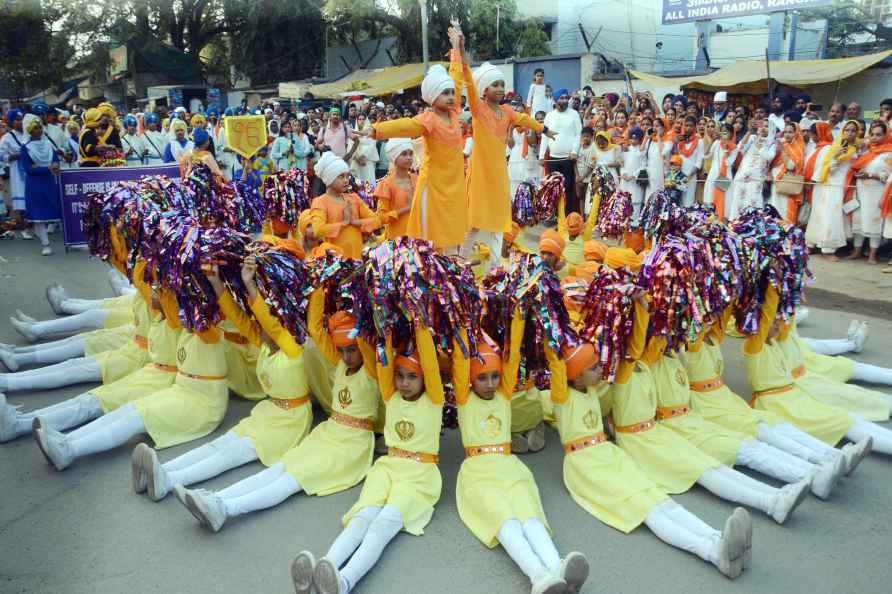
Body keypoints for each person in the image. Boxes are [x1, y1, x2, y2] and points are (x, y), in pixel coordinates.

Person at [173, 294, 380, 533]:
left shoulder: (372, 369)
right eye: (342, 350)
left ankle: (228, 509)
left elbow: (368, 342)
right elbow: (314, 327)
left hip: (351, 445)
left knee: (291, 480)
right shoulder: (342, 363)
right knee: (281, 468)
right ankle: (217, 499)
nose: (346, 356)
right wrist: (319, 289)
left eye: (352, 350)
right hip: (327, 433)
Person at [550, 342, 752, 579]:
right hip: (586, 466)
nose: (600, 371)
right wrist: (542, 328)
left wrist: (643, 309)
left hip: (609, 454)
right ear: (576, 377)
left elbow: (635, 345)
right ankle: (713, 552)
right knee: (648, 511)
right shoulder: (562, 398)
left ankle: (719, 538)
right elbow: (556, 365)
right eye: (593, 368)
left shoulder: (594, 390)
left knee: (660, 500)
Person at [135, 256, 313, 501]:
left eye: (262, 323)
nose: (256, 326)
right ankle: (163, 470)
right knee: (220, 444)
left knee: (231, 454)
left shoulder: (292, 348)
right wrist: (217, 282)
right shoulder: (264, 342)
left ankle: (168, 482)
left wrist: (250, 285)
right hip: (267, 412)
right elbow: (239, 317)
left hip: (289, 423)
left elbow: (268, 322)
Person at [291, 332, 444, 594]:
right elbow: (382, 357)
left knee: (381, 526)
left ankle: (345, 582)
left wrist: (419, 322)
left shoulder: (434, 400)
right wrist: (378, 319)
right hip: (387, 468)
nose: (404, 383)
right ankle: (322, 572)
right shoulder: (390, 394)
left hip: (419, 476)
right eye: (400, 375)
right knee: (361, 519)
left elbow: (430, 362)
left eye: (412, 376)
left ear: (424, 378)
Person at [452, 322, 590, 594]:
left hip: (510, 467)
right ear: (469, 378)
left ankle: (558, 567)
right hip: (478, 474)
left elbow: (512, 355)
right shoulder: (464, 399)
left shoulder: (504, 396)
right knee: (506, 521)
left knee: (530, 516)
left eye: (495, 376)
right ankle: (538, 577)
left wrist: (515, 315)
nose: (490, 383)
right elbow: (458, 362)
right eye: (482, 377)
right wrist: (458, 323)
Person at [362, 27, 468, 254]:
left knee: (453, 231)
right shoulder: (429, 119)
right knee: (430, 235)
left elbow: (457, 77)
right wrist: (375, 130)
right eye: (445, 93)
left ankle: (448, 267)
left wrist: (457, 48)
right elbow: (405, 125)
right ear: (432, 97)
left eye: (451, 93)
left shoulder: (455, 112)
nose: (450, 96)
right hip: (433, 184)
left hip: (455, 183)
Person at [460, 52, 549, 269]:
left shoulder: (507, 111)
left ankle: (495, 266)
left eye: (502, 84)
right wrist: (460, 52)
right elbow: (469, 83)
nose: (500, 88)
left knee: (500, 220)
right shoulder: (478, 109)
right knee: (475, 220)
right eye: (495, 85)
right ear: (484, 90)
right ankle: (459, 261)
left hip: (500, 173)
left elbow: (524, 119)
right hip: (480, 173)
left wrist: (544, 128)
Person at [309, 152, 380, 259]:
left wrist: (356, 223)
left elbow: (376, 220)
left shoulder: (353, 198)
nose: (346, 180)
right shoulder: (320, 202)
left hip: (358, 257)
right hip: (336, 261)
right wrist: (343, 223)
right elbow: (318, 230)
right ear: (329, 178)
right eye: (341, 177)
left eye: (347, 176)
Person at [806, 120, 860, 260]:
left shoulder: (856, 149)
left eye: (853, 130)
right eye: (847, 130)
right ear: (842, 132)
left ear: (858, 132)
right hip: (828, 184)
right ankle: (822, 248)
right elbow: (824, 169)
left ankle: (823, 245)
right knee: (824, 214)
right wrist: (836, 157)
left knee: (834, 215)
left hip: (843, 185)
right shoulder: (831, 148)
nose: (849, 133)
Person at [846, 119, 892, 264]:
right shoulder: (866, 150)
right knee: (859, 220)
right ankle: (857, 251)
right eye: (872, 134)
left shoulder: (889, 153)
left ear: (886, 135)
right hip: (861, 189)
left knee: (874, 222)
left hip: (877, 191)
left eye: (878, 135)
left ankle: (872, 254)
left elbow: (887, 176)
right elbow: (855, 166)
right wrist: (858, 173)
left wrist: (871, 175)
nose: (874, 137)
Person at [20, 115, 61, 256]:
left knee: (54, 211)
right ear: (30, 130)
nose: (39, 130)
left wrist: (54, 165)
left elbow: (56, 161)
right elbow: (28, 169)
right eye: (35, 128)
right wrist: (47, 168)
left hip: (50, 182)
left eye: (40, 127)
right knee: (38, 216)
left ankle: (70, 241)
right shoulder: (26, 148)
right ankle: (46, 244)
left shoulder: (48, 144)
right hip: (35, 185)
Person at [540, 89, 582, 213]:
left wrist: (575, 151)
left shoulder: (574, 114)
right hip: (552, 158)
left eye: (566, 98)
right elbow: (544, 136)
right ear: (555, 99)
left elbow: (578, 134)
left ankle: (568, 217)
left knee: (568, 188)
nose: (564, 100)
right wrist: (542, 155)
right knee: (554, 188)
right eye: (561, 98)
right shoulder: (549, 115)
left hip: (569, 158)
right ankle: (557, 216)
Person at [729, 119, 775, 220]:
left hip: (757, 180)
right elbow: (740, 148)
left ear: (771, 129)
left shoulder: (772, 143)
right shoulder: (752, 137)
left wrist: (760, 148)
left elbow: (769, 157)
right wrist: (749, 131)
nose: (763, 128)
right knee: (738, 205)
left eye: (767, 126)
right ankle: (735, 227)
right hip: (742, 177)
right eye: (762, 125)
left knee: (753, 206)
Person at [374, 138, 415, 240]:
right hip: (397, 242)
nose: (409, 158)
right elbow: (381, 218)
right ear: (394, 157)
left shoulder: (418, 180)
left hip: (419, 238)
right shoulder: (387, 184)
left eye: (411, 154)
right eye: (404, 154)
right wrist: (406, 208)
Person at [0, 109, 31, 235]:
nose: (20, 122)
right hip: (17, 172)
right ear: (11, 123)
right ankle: (24, 227)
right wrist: (15, 156)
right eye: (17, 120)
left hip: (31, 170)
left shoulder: (29, 133)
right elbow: (1, 155)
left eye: (21, 119)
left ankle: (36, 224)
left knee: (32, 196)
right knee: (21, 198)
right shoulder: (7, 138)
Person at [769, 122, 806, 225]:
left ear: (796, 133)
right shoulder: (782, 145)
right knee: (774, 207)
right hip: (776, 182)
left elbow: (791, 166)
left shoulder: (798, 148)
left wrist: (783, 151)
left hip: (788, 183)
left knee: (783, 211)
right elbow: (772, 163)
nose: (787, 134)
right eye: (785, 132)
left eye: (790, 132)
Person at [703, 124, 738, 220]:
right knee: (710, 199)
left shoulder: (734, 147)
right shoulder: (717, 143)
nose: (724, 134)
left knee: (723, 202)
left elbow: (728, 162)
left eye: (726, 132)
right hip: (713, 175)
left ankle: (721, 223)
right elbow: (705, 155)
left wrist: (727, 149)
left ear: (731, 134)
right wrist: (712, 141)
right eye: (722, 131)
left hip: (725, 176)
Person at [675, 115, 704, 207]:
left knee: (688, 202)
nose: (688, 128)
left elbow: (698, 163)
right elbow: (677, 160)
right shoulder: (680, 142)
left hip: (691, 177)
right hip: (679, 176)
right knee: (678, 202)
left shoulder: (699, 141)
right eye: (686, 125)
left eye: (691, 126)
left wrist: (689, 176)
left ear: (695, 127)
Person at [619, 127, 647, 222]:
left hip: (635, 181)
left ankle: (634, 225)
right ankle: (624, 224)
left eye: (636, 138)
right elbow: (622, 164)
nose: (633, 140)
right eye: (631, 138)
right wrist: (623, 174)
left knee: (636, 202)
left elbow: (643, 166)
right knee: (624, 202)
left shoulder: (642, 150)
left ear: (640, 139)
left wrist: (633, 175)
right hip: (625, 181)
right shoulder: (627, 149)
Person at [645, 117, 673, 204]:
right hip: (650, 174)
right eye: (653, 126)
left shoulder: (669, 141)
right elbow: (642, 152)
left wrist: (659, 137)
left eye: (657, 126)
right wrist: (646, 138)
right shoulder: (650, 140)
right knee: (648, 200)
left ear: (663, 127)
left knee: (659, 200)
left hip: (661, 174)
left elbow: (663, 153)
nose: (654, 128)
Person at [349, 113, 378, 185]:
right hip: (356, 161)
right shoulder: (353, 133)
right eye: (359, 119)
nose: (361, 121)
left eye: (363, 119)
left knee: (369, 181)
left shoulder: (371, 132)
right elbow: (350, 146)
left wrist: (363, 156)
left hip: (367, 161)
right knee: (357, 183)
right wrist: (357, 157)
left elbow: (372, 145)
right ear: (357, 121)